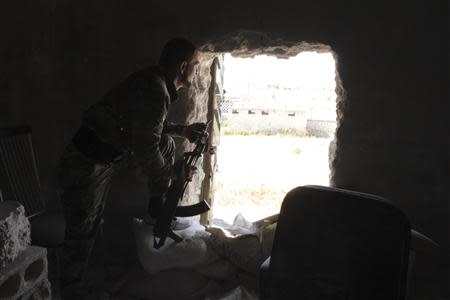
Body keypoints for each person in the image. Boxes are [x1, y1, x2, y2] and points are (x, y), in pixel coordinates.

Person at [58, 37, 206, 289]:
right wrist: (173, 174)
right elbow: (145, 147)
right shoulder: (156, 90)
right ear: (183, 66)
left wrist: (183, 130)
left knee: (93, 225)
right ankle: (70, 292)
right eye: (196, 64)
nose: (197, 70)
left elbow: (144, 127)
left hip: (99, 160)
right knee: (82, 233)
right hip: (86, 163)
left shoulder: (154, 83)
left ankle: (91, 282)